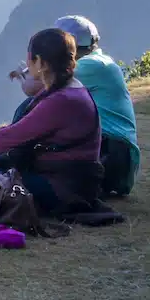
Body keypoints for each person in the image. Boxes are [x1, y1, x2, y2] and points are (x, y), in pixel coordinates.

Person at [0, 28, 105, 215]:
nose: (27, 62)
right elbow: (20, 129)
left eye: (30, 57)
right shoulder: (65, 87)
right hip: (55, 175)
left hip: (62, 188)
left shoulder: (62, 100)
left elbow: (14, 135)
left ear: (41, 63)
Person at [54, 15, 141, 197]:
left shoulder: (90, 66)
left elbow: (42, 87)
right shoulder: (99, 61)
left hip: (111, 154)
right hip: (114, 155)